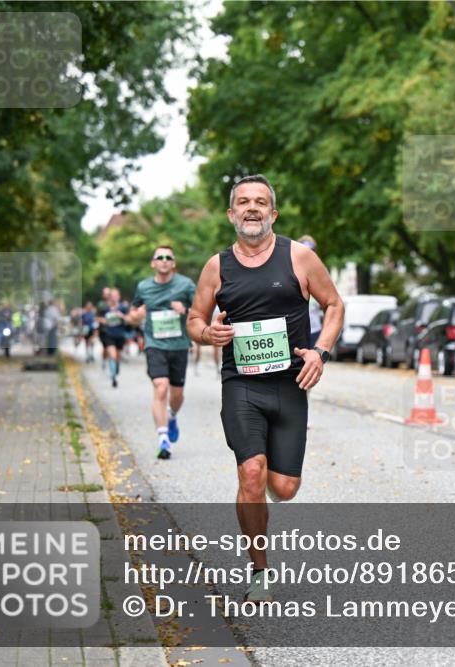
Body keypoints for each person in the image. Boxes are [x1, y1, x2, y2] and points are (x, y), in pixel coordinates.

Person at [187, 174, 344, 602]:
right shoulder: (217, 267)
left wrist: (320, 351)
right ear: (231, 214)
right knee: (251, 472)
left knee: (285, 489)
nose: (251, 208)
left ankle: (265, 485)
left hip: (291, 382)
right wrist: (208, 335)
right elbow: (195, 320)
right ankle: (259, 570)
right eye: (243, 202)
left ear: (272, 213)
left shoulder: (299, 257)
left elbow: (334, 304)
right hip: (241, 385)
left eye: (260, 202)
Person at [127, 245, 197, 460]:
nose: (164, 260)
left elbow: (200, 311)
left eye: (168, 257)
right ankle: (163, 439)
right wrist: (136, 316)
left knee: (177, 395)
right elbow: (132, 315)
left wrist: (184, 310)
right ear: (153, 263)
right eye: (160, 257)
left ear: (173, 263)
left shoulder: (185, 285)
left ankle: (172, 415)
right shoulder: (144, 287)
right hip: (154, 343)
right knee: (160, 388)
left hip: (179, 346)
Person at [98, 289, 129, 387]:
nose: (114, 298)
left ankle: (116, 366)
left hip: (120, 335)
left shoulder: (123, 308)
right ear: (110, 297)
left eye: (116, 296)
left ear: (119, 297)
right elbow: (98, 317)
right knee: (112, 355)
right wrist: (103, 320)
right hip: (108, 334)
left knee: (117, 356)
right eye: (112, 296)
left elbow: (130, 319)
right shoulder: (105, 308)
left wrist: (122, 316)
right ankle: (113, 377)